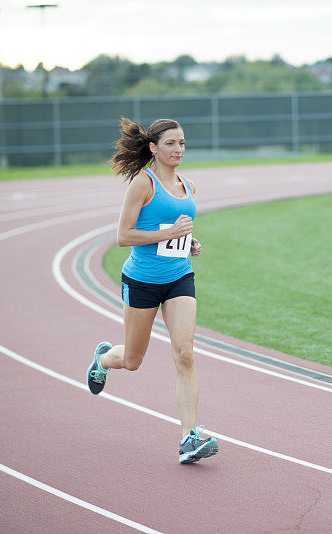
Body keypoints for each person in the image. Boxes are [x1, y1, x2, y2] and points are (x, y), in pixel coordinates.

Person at [87, 117, 218, 464]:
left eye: (183, 143)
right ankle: (102, 359)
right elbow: (123, 236)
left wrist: (189, 243)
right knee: (132, 360)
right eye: (171, 144)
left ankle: (190, 437)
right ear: (153, 148)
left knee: (185, 353)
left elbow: (175, 232)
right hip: (142, 281)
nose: (179, 150)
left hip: (179, 278)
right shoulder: (142, 184)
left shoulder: (187, 186)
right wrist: (170, 234)